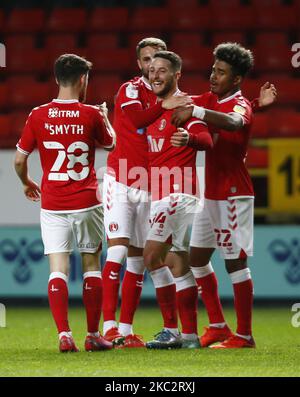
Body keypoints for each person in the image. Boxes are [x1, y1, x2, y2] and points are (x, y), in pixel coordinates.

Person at [14, 54, 115, 353]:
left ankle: (63, 334)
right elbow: (112, 143)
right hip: (86, 201)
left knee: (57, 268)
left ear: (57, 78)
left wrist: (27, 182)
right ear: (83, 79)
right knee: (90, 264)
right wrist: (105, 116)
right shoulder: (91, 114)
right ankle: (93, 335)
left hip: (53, 203)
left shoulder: (37, 114)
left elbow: (19, 160)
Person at [171, 42, 269, 348]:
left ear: (236, 79)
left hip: (234, 195)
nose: (214, 76)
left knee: (235, 264)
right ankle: (217, 325)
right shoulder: (214, 98)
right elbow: (183, 102)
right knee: (197, 259)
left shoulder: (240, 105)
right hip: (210, 194)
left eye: (222, 72)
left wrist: (197, 111)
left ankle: (245, 335)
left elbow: (234, 120)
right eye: (214, 69)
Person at [102, 38, 191, 347]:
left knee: (141, 261)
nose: (152, 68)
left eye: (157, 61)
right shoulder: (129, 90)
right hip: (122, 180)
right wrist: (164, 106)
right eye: (146, 61)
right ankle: (109, 326)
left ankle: (126, 331)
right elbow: (138, 120)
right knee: (116, 249)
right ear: (139, 64)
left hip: (153, 185)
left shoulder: (175, 97)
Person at [142, 50, 213, 349]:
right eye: (152, 69)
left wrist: (190, 139)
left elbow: (206, 140)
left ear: (176, 75)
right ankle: (190, 336)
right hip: (163, 194)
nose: (155, 75)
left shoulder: (185, 106)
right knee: (177, 265)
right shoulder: (151, 110)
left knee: (150, 257)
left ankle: (171, 329)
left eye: (162, 71)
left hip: (178, 194)